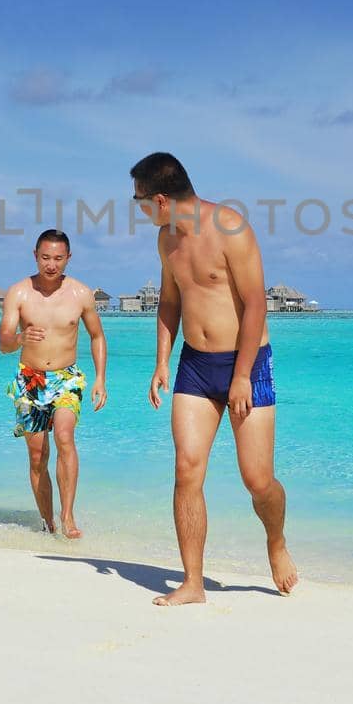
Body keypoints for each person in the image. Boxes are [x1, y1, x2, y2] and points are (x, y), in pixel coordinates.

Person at [131, 152, 297, 604]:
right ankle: (193, 583)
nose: (138, 208)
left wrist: (242, 375)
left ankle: (276, 542)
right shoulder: (166, 241)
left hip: (249, 363)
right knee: (187, 470)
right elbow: (169, 302)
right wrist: (162, 361)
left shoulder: (231, 227)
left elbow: (256, 303)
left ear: (161, 199)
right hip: (195, 365)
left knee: (257, 481)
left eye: (140, 200)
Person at [0, 229, 108, 538]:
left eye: (58, 258)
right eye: (45, 257)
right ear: (35, 256)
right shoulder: (18, 293)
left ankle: (68, 516)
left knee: (63, 436)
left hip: (66, 378)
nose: (51, 264)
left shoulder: (81, 294)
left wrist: (100, 378)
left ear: (68, 258)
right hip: (30, 379)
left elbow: (97, 336)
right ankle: (48, 524)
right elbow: (3, 343)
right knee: (37, 457)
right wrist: (20, 338)